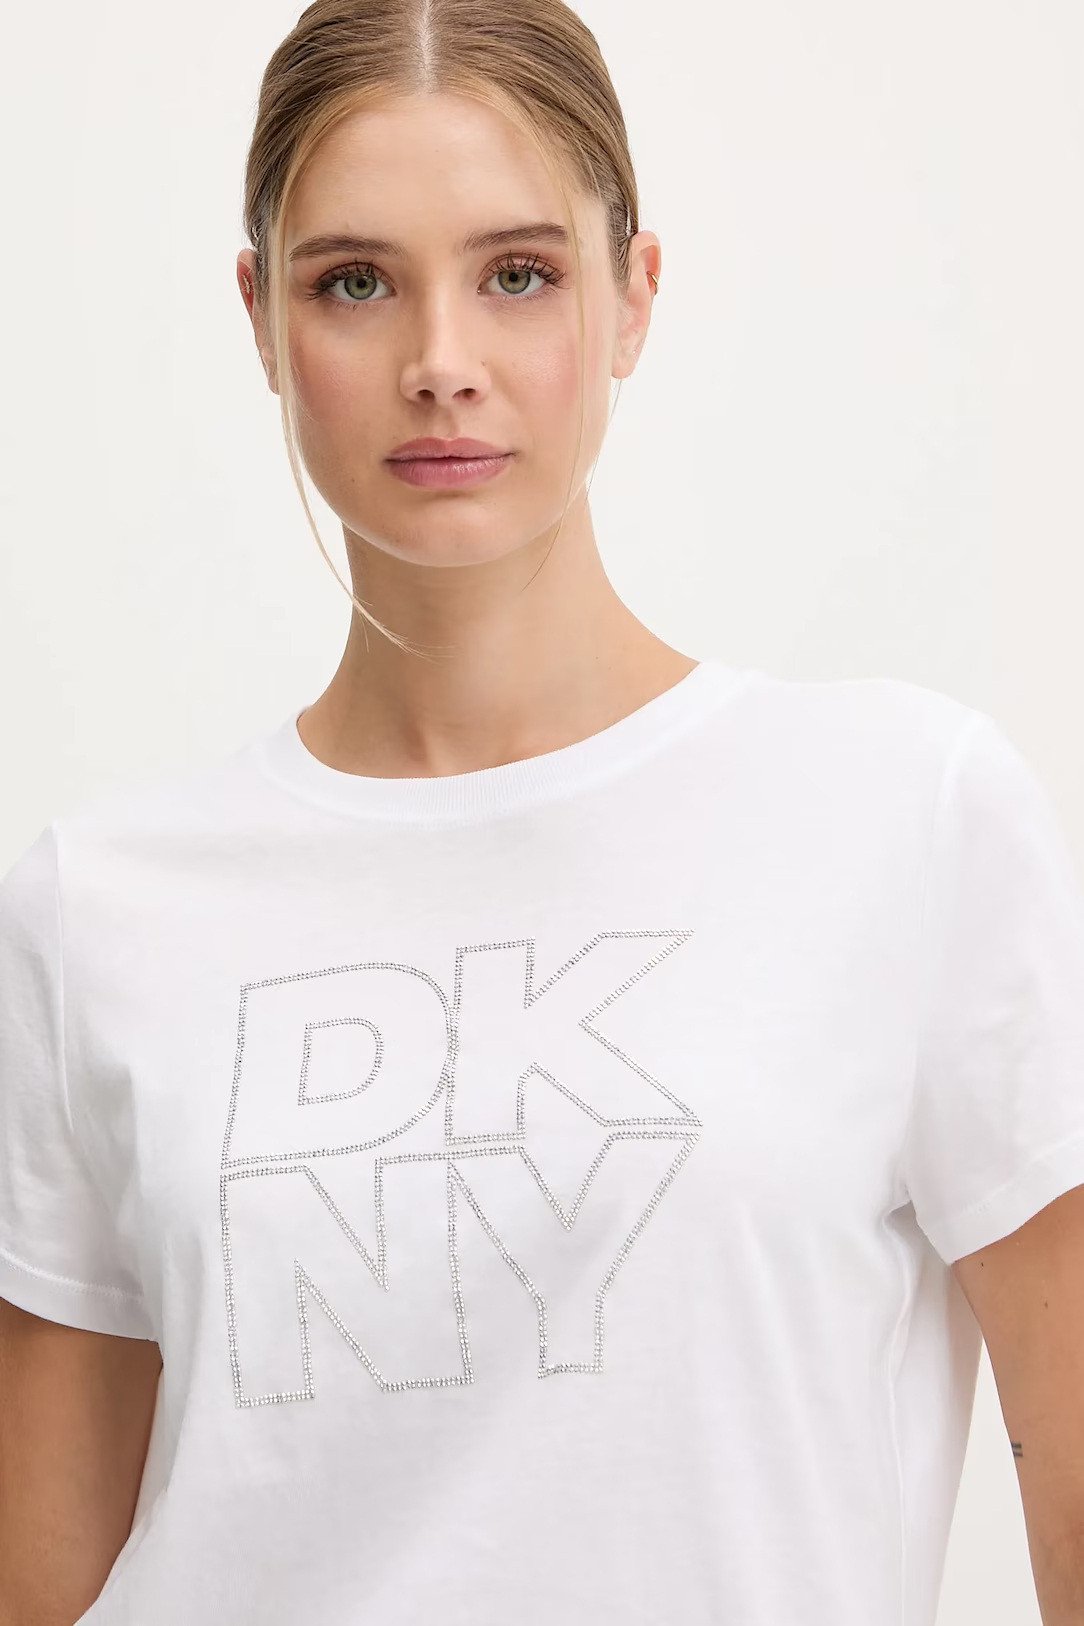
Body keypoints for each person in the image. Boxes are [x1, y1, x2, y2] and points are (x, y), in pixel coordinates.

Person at [2, 2, 1083, 1623]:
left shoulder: (905, 818)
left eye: (518, 273)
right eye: (353, 282)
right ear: (261, 316)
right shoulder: (98, 906)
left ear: (634, 293)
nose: (441, 361)